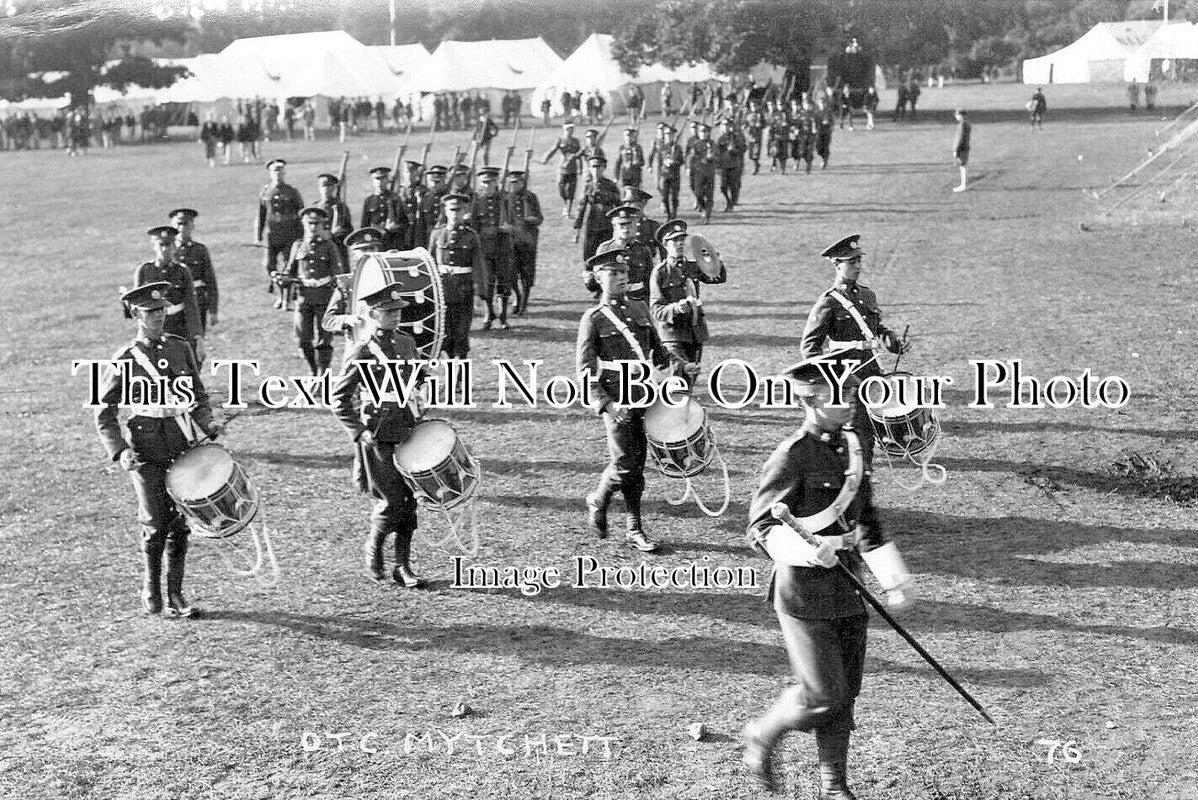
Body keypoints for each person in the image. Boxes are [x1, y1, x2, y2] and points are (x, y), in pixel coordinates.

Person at [741, 358, 914, 798]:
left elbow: (865, 514)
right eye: (842, 397)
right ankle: (763, 733)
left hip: (848, 588)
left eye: (854, 394)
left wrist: (892, 577)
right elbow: (759, 528)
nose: (852, 403)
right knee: (823, 694)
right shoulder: (792, 455)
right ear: (812, 400)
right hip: (802, 594)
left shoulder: (855, 445)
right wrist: (806, 551)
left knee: (845, 694)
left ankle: (834, 787)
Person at [95, 282, 223, 617]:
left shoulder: (180, 349)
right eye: (151, 312)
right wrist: (120, 451)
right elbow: (104, 413)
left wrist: (208, 422)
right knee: (155, 523)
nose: (158, 316)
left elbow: (197, 396)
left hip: (181, 447)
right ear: (136, 314)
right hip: (145, 452)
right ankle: (151, 590)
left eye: (162, 309)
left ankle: (176, 595)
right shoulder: (125, 359)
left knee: (181, 522)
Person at [575, 249, 682, 554]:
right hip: (615, 399)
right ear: (598, 278)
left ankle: (633, 527)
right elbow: (584, 371)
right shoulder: (593, 319)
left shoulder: (639, 308)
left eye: (623, 273)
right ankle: (600, 500)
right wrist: (607, 405)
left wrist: (681, 366)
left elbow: (660, 354)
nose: (621, 277)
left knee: (638, 464)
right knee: (625, 465)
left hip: (643, 394)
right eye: (613, 273)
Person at [331, 283, 427, 588]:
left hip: (407, 431)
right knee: (393, 500)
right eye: (388, 312)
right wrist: (359, 431)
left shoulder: (407, 342)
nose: (395, 316)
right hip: (379, 435)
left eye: (398, 311)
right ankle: (374, 548)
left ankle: (402, 566)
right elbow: (339, 398)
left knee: (411, 500)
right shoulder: (363, 349)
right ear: (372, 313)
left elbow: (415, 378)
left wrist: (421, 381)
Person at [799, 234, 908, 467]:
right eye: (851, 261)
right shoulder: (828, 302)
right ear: (837, 264)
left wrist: (894, 342)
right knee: (857, 434)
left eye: (859, 260)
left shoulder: (868, 295)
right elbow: (809, 348)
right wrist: (833, 378)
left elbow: (877, 329)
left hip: (873, 374)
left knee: (876, 429)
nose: (858, 265)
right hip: (847, 379)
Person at [649, 218, 725, 386]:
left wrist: (712, 258)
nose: (679, 243)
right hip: (673, 335)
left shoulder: (693, 266)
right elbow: (656, 309)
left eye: (682, 239)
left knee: (691, 378)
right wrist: (676, 308)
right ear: (665, 245)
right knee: (678, 377)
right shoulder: (660, 272)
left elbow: (718, 277)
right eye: (674, 240)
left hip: (695, 332)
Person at [282, 207, 346, 376]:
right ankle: (313, 371)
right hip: (304, 298)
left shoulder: (329, 246)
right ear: (303, 224)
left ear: (323, 225)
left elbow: (338, 275)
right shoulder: (297, 246)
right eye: (309, 223)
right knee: (303, 339)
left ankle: (322, 373)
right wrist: (283, 279)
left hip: (324, 297)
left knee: (324, 340)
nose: (312, 227)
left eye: (316, 224)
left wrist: (338, 300)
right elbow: (290, 270)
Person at [136, 226, 205, 364]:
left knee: (182, 364)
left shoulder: (182, 271)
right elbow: (137, 305)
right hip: (153, 325)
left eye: (168, 245)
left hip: (178, 325)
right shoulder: (144, 270)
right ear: (154, 245)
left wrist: (197, 336)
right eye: (161, 245)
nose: (165, 249)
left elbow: (191, 305)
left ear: (174, 246)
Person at [429, 193, 485, 360]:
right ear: (445, 211)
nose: (455, 214)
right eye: (451, 210)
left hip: (463, 291)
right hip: (442, 292)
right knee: (444, 335)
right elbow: (430, 263)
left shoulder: (471, 236)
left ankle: (460, 377)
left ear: (464, 212)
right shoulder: (437, 234)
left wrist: (478, 294)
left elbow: (478, 266)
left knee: (461, 335)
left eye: (458, 210)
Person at [323, 226, 385, 356]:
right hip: (357, 346)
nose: (369, 253)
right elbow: (328, 321)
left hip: (387, 345)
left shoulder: (389, 279)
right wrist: (347, 319)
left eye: (372, 248)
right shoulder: (346, 283)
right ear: (354, 254)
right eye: (363, 250)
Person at [255, 159, 305, 308]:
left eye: (280, 171)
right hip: (272, 235)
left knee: (288, 267)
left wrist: (303, 236)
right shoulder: (266, 192)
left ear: (284, 173)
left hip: (290, 234)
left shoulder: (292, 192)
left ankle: (286, 297)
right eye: (274, 171)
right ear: (270, 173)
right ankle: (279, 293)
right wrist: (258, 236)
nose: (278, 174)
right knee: (269, 266)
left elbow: (302, 213)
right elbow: (261, 215)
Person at [471, 166, 516, 329]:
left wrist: (507, 228)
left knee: (504, 282)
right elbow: (474, 227)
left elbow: (513, 224)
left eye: (490, 182)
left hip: (503, 248)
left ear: (496, 182)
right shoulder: (477, 202)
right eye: (483, 183)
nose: (487, 186)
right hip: (485, 249)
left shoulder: (505, 200)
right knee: (487, 283)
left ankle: (503, 316)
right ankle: (489, 314)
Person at [170, 209, 218, 336]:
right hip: (175, 304)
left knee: (197, 340)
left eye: (185, 224)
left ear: (192, 225)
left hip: (198, 303)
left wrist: (213, 310)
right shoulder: (169, 250)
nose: (182, 228)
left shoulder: (200, 250)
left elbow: (210, 281)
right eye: (178, 224)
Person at [504, 170, 543, 315]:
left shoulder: (531, 197)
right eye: (511, 183)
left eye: (517, 182)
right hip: (511, 242)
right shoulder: (505, 198)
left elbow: (539, 218)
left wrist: (528, 220)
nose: (514, 186)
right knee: (511, 274)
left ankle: (524, 303)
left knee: (527, 275)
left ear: (522, 182)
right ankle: (517, 297)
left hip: (528, 242)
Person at [574, 153, 621, 262]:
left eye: (598, 166)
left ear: (604, 168)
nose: (596, 170)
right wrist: (577, 230)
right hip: (592, 226)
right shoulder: (587, 187)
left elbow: (619, 207)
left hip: (608, 225)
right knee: (589, 256)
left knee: (608, 255)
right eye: (593, 167)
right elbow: (581, 209)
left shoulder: (611, 186)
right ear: (589, 168)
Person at [361, 166, 408, 251]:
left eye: (382, 178)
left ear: (387, 180)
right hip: (374, 241)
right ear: (373, 181)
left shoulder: (395, 199)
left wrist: (395, 227)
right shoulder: (369, 200)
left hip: (393, 241)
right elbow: (364, 225)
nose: (380, 182)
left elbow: (404, 223)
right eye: (377, 179)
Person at [542, 121, 583, 217]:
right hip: (562, 169)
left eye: (572, 129)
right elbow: (552, 150)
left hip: (573, 169)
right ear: (565, 129)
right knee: (561, 190)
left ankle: (568, 210)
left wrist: (580, 168)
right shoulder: (560, 140)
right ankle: (566, 204)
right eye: (569, 129)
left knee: (570, 190)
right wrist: (546, 158)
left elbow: (579, 155)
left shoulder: (576, 141)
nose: (571, 131)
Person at [648, 123, 684, 220]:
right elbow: (659, 161)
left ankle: (674, 213)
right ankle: (668, 215)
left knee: (674, 197)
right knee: (664, 197)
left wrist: (673, 162)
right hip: (665, 175)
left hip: (675, 175)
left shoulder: (677, 148)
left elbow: (681, 161)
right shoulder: (662, 148)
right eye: (667, 135)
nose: (668, 137)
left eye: (670, 135)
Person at [689, 123, 719, 224]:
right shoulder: (696, 144)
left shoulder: (713, 144)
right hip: (699, 172)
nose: (703, 134)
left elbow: (716, 156)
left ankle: (707, 216)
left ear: (708, 133)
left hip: (710, 172)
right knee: (698, 194)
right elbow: (693, 157)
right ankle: (703, 207)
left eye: (705, 132)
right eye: (701, 132)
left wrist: (712, 157)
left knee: (710, 195)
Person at [395, 160, 428, 251]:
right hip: (402, 233)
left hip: (419, 231)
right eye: (407, 172)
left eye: (412, 172)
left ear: (417, 173)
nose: (409, 175)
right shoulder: (399, 192)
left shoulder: (423, 191)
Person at [715, 117, 746, 212]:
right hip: (724, 166)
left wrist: (734, 150)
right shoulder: (720, 138)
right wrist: (717, 166)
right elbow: (717, 153)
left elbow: (743, 149)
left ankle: (731, 204)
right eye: (723, 125)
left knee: (733, 186)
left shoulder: (736, 137)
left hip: (734, 165)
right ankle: (728, 201)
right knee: (723, 187)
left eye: (727, 125)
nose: (725, 127)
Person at [952, 108, 971, 192]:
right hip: (965, 147)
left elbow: (960, 138)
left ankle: (963, 185)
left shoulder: (962, 124)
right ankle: (963, 184)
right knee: (962, 166)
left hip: (961, 148)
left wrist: (956, 149)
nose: (956, 116)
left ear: (961, 115)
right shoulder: (967, 123)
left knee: (962, 166)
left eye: (957, 115)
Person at [815, 94, 835, 170]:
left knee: (826, 147)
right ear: (818, 103)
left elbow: (832, 121)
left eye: (823, 102)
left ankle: (824, 161)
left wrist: (831, 127)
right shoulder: (816, 111)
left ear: (825, 103)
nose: (822, 104)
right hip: (818, 132)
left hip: (826, 132)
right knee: (818, 148)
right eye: (820, 102)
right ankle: (823, 158)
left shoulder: (828, 111)